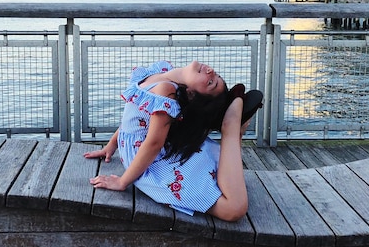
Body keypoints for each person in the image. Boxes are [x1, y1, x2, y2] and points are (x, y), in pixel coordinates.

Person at [84, 60, 257, 222]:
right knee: (219, 173)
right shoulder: (161, 71)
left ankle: (231, 127)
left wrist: (122, 182)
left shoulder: (166, 90)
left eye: (211, 82)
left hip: (149, 161)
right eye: (215, 76)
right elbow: (136, 120)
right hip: (144, 154)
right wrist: (112, 145)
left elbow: (154, 143)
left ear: (190, 94)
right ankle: (230, 124)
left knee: (234, 208)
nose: (211, 71)